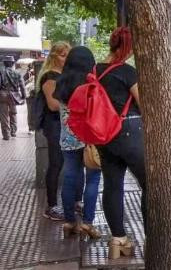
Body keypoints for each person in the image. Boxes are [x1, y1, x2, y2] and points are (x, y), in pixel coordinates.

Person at [95, 27, 145, 259]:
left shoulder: (94, 71)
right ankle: (153, 236)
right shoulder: (127, 71)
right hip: (128, 133)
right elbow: (143, 102)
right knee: (151, 185)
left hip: (104, 136)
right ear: (127, 47)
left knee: (112, 185)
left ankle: (118, 240)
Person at [53, 46, 102, 239]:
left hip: (68, 139)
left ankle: (69, 221)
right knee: (93, 180)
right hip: (90, 139)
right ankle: (88, 223)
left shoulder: (61, 83)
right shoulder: (91, 83)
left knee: (69, 178)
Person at [37, 42, 71, 220]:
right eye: (62, 54)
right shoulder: (50, 76)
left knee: (66, 164)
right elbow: (52, 105)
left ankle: (66, 203)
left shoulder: (64, 75)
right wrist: (74, 103)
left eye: (67, 54)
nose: (65, 58)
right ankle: (51, 205)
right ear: (53, 56)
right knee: (56, 163)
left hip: (64, 123)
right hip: (55, 125)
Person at [0, 55, 27, 139]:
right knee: (13, 113)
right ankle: (13, 132)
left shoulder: (1, 72)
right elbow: (22, 86)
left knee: (4, 115)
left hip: (3, 95)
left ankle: (6, 135)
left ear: (4, 63)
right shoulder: (17, 73)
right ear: (12, 63)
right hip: (14, 96)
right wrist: (23, 96)